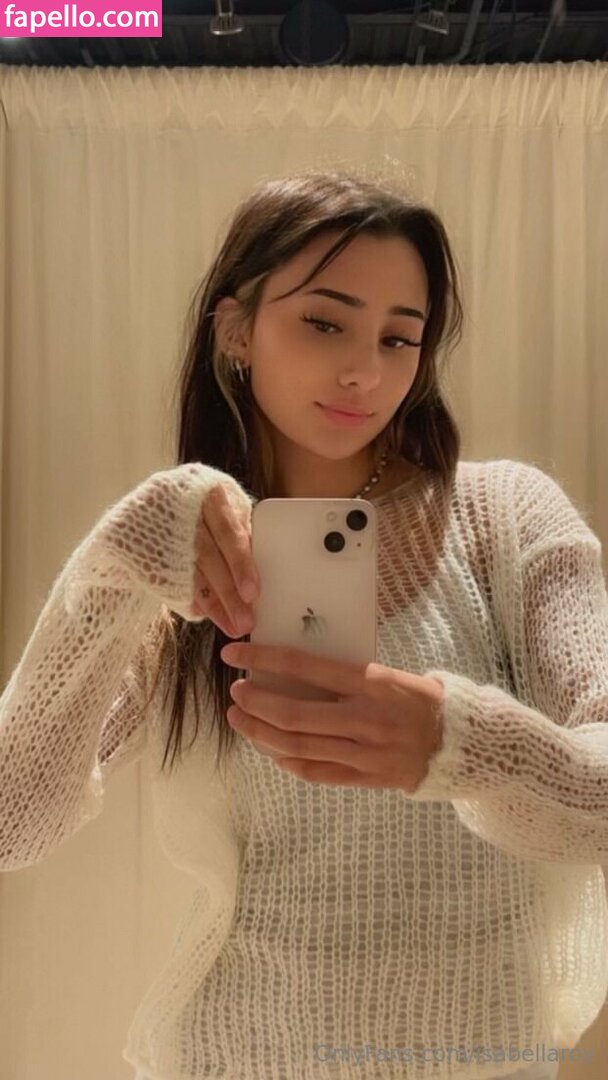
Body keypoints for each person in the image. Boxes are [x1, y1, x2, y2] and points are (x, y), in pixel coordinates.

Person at [1, 168, 605, 1080]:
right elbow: (11, 822)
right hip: (241, 1054)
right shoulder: (188, 572)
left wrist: (457, 744)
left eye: (399, 338)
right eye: (326, 323)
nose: (365, 371)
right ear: (237, 331)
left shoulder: (505, 519)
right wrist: (119, 560)